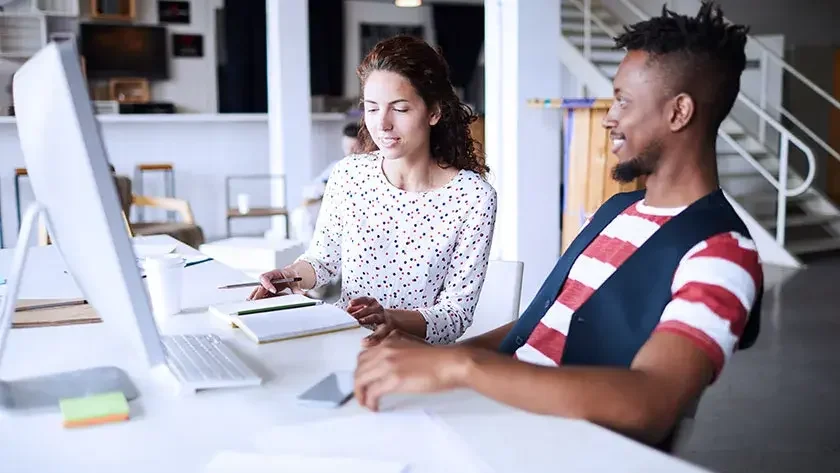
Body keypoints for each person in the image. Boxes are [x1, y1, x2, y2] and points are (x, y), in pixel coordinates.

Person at [352, 2, 763, 452]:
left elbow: (654, 403)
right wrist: (436, 358)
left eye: (623, 99)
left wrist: (460, 368)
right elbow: (538, 327)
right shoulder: (618, 210)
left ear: (679, 112)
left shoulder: (722, 252)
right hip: (495, 418)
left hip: (553, 445)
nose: (609, 116)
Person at [250, 36, 498, 345]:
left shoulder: (473, 197)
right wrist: (289, 276)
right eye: (372, 108)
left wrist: (390, 318)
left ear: (434, 112)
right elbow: (323, 261)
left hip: (415, 358)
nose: (383, 124)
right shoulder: (349, 175)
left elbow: (455, 315)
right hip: (344, 340)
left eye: (401, 109)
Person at [290, 123, 362, 246]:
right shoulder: (337, 166)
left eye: (353, 148)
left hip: (353, 214)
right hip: (331, 210)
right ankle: (310, 257)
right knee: (300, 214)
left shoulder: (368, 168)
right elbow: (313, 189)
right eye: (346, 147)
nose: (349, 152)